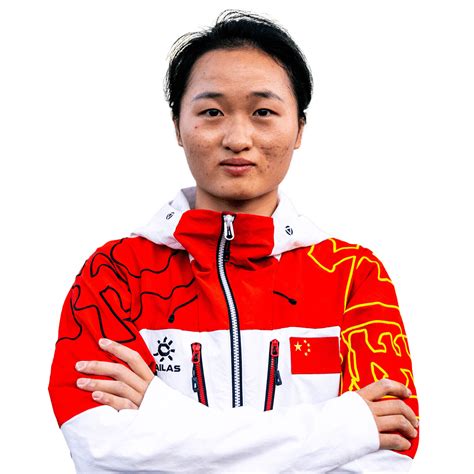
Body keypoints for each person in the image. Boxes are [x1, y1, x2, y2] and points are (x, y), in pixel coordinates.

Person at [48, 10, 419, 473]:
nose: (238, 138)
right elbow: (100, 450)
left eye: (263, 112)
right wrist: (340, 428)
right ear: (177, 126)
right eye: (212, 112)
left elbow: (385, 457)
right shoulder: (116, 273)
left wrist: (163, 414)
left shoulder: (352, 276)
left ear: (299, 128)